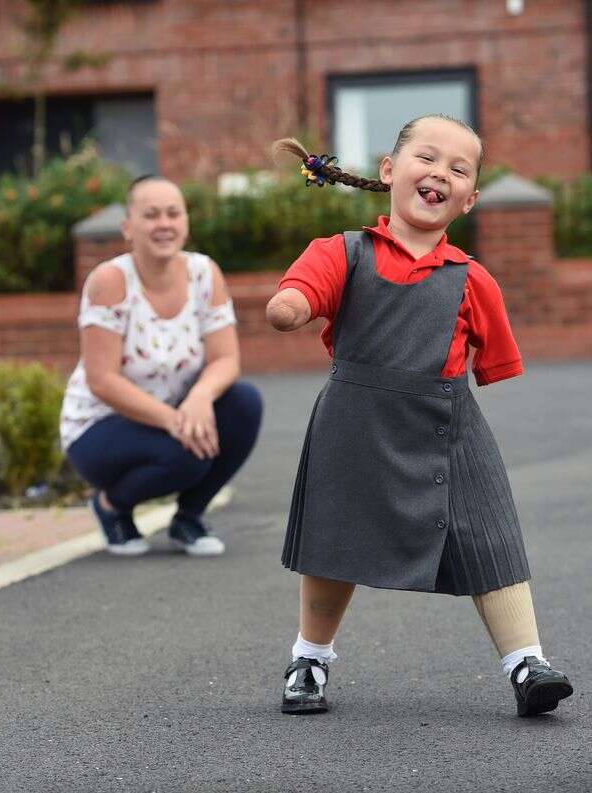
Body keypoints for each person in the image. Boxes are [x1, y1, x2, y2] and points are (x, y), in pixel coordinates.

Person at [266, 115, 573, 718]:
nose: (440, 174)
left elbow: (497, 363)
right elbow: (299, 295)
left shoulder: (474, 279)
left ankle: (527, 664)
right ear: (390, 170)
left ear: (471, 198)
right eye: (426, 158)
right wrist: (290, 306)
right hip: (353, 424)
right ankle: (309, 660)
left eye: (459, 169)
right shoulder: (342, 252)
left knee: (491, 536)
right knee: (335, 541)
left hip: (449, 426)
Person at [61, 175, 262, 556]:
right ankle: (111, 506)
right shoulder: (109, 281)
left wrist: (200, 397)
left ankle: (189, 518)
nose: (164, 224)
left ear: (185, 222)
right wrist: (175, 422)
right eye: (151, 215)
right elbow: (101, 380)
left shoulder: (205, 273)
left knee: (244, 403)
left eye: (173, 213)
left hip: (176, 411)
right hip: (100, 427)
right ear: (128, 228)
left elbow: (225, 359)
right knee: (187, 453)